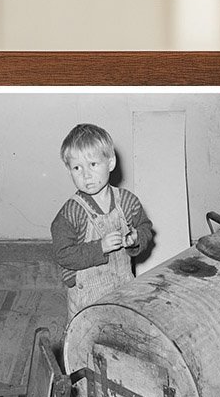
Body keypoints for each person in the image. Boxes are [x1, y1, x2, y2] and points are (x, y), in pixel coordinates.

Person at [50, 123, 154, 319]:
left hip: (123, 290)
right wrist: (100, 247)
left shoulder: (127, 201)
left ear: (111, 163)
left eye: (93, 164)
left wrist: (136, 238)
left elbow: (146, 228)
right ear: (69, 171)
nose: (86, 175)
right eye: (77, 168)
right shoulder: (71, 213)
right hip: (87, 300)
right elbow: (63, 255)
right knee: (87, 340)